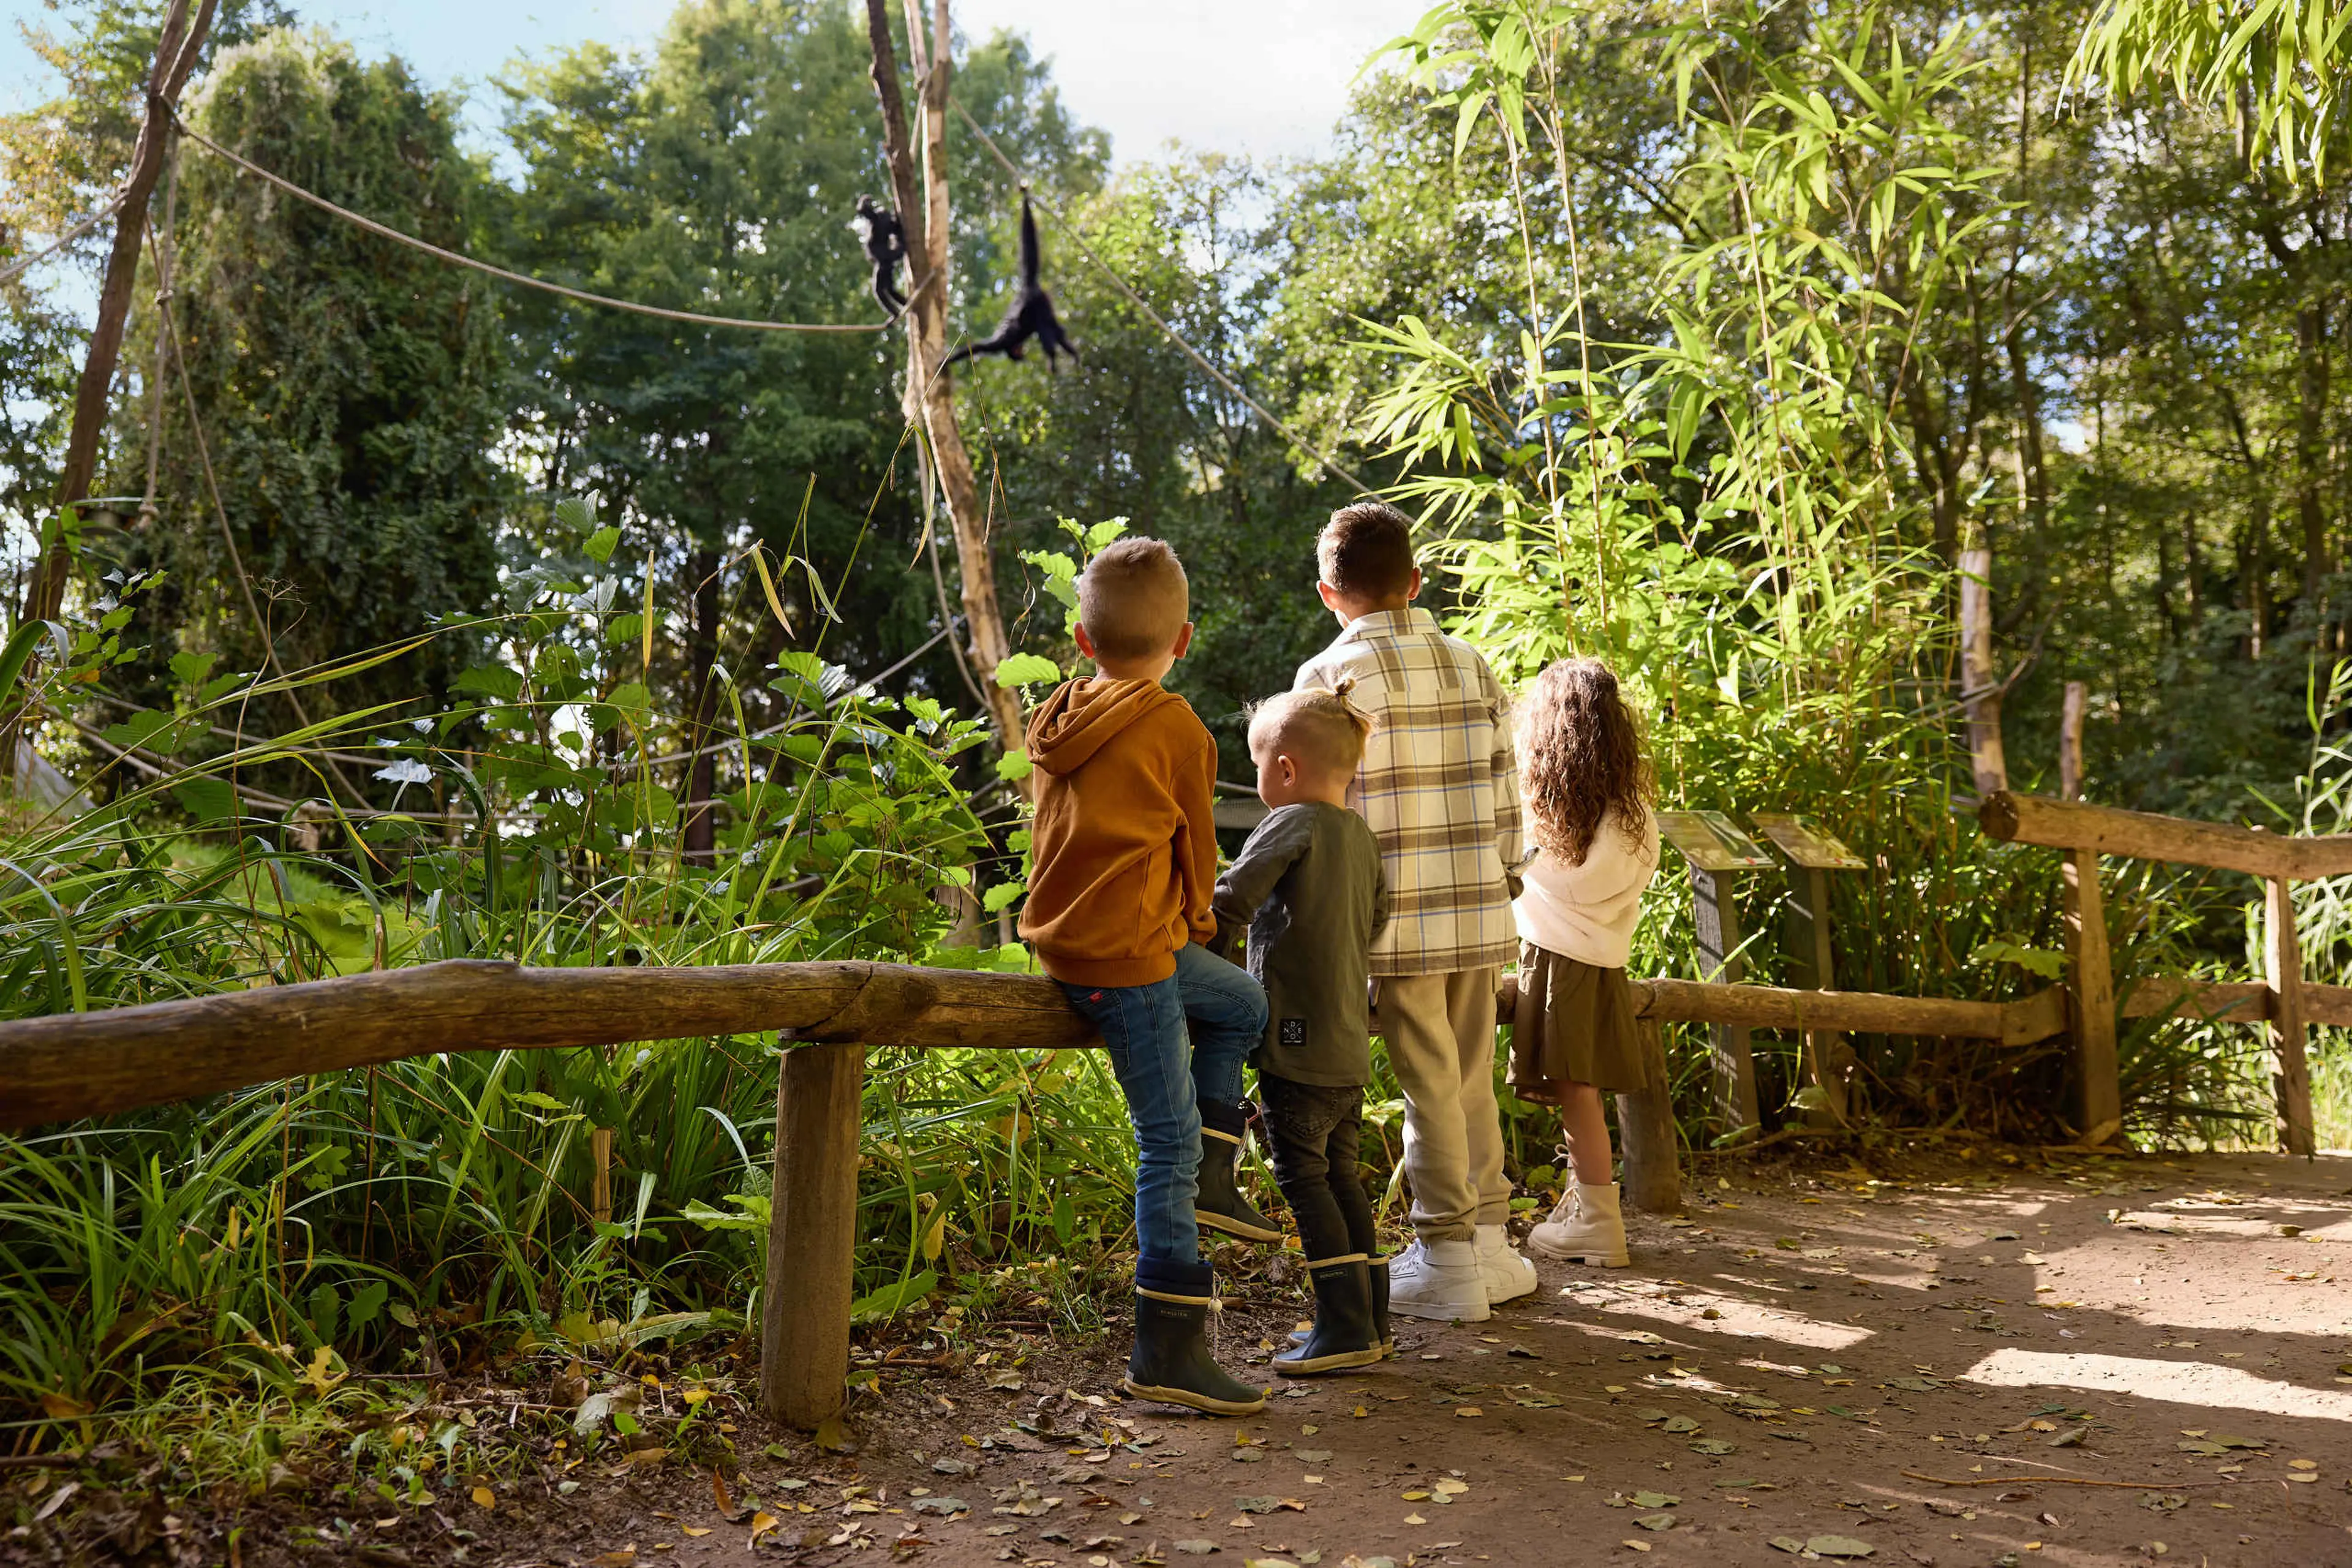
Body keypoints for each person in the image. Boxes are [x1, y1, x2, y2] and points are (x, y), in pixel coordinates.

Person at [1019, 537, 1270, 1415]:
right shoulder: (1175, 727)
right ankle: (1166, 1348)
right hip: (1128, 964)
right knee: (1160, 1140)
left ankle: (1216, 1169)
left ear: (1083, 643)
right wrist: (1201, 922)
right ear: (1186, 640)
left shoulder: (1054, 713)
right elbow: (1198, 856)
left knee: (1241, 1001)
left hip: (1072, 943)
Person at [1294, 503, 1529, 1323]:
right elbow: (1509, 786)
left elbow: (1321, 819)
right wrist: (1507, 873)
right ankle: (1495, 1243)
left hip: (1391, 922)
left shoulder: (1326, 678)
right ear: (1416, 583)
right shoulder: (1471, 664)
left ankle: (1449, 1255)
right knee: (1470, 1077)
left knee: (1427, 1085)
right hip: (1478, 908)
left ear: (1329, 592)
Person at [1212, 686, 1390, 1373]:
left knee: (1301, 1173)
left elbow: (1234, 899)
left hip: (1298, 1040)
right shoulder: (1360, 836)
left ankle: (1344, 1328)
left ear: (1284, 768)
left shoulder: (1292, 823)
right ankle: (1368, 1322)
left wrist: (1209, 966)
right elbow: (1375, 923)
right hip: (1348, 1042)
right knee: (1341, 1175)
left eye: (1257, 765)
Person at [1508, 657, 1660, 1268]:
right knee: (1583, 1092)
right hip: (1606, 961)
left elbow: (1544, 875)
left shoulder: (1550, 817)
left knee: (1578, 1095)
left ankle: (1599, 1222)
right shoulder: (1633, 812)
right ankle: (1584, 1209)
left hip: (1559, 963)